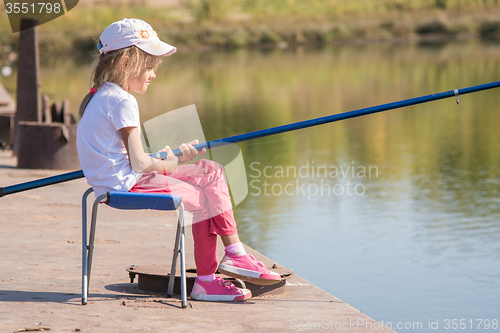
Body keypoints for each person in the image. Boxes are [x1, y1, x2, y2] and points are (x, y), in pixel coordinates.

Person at [76, 18, 281, 302]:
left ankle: (234, 255)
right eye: (149, 67)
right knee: (204, 197)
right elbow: (138, 163)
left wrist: (171, 157)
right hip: (126, 186)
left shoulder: (102, 97)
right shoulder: (122, 101)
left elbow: (126, 158)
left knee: (211, 171)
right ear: (125, 63)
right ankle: (209, 278)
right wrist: (167, 165)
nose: (153, 74)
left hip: (122, 180)